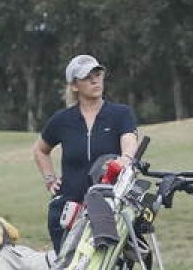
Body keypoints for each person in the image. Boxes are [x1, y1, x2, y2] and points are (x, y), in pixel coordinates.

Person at [31, 55, 139, 251]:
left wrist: (126, 158)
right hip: (69, 210)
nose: (95, 80)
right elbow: (40, 150)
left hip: (109, 208)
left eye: (97, 74)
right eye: (87, 77)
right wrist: (50, 179)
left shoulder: (120, 114)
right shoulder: (62, 120)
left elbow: (129, 139)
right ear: (74, 86)